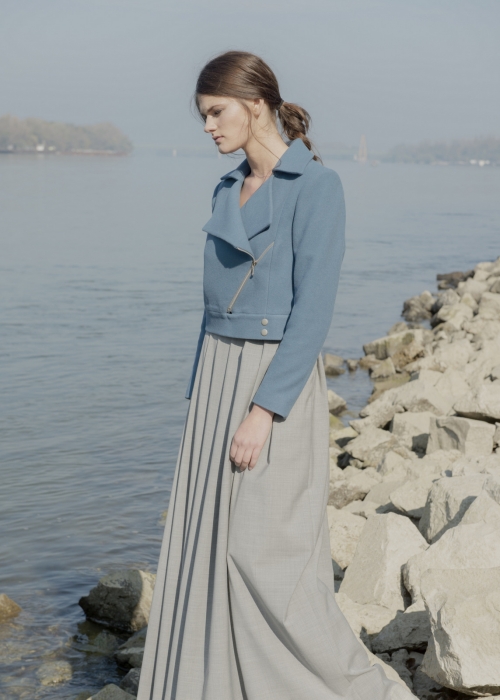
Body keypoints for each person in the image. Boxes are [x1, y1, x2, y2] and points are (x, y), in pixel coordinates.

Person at [137, 50, 415, 700]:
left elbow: (313, 312)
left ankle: (359, 692)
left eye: (216, 112)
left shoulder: (317, 188)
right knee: (207, 545)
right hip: (216, 381)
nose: (208, 127)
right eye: (203, 116)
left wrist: (263, 410)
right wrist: (203, 401)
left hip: (272, 385)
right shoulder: (225, 189)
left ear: (255, 104)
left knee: (266, 556)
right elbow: (212, 308)